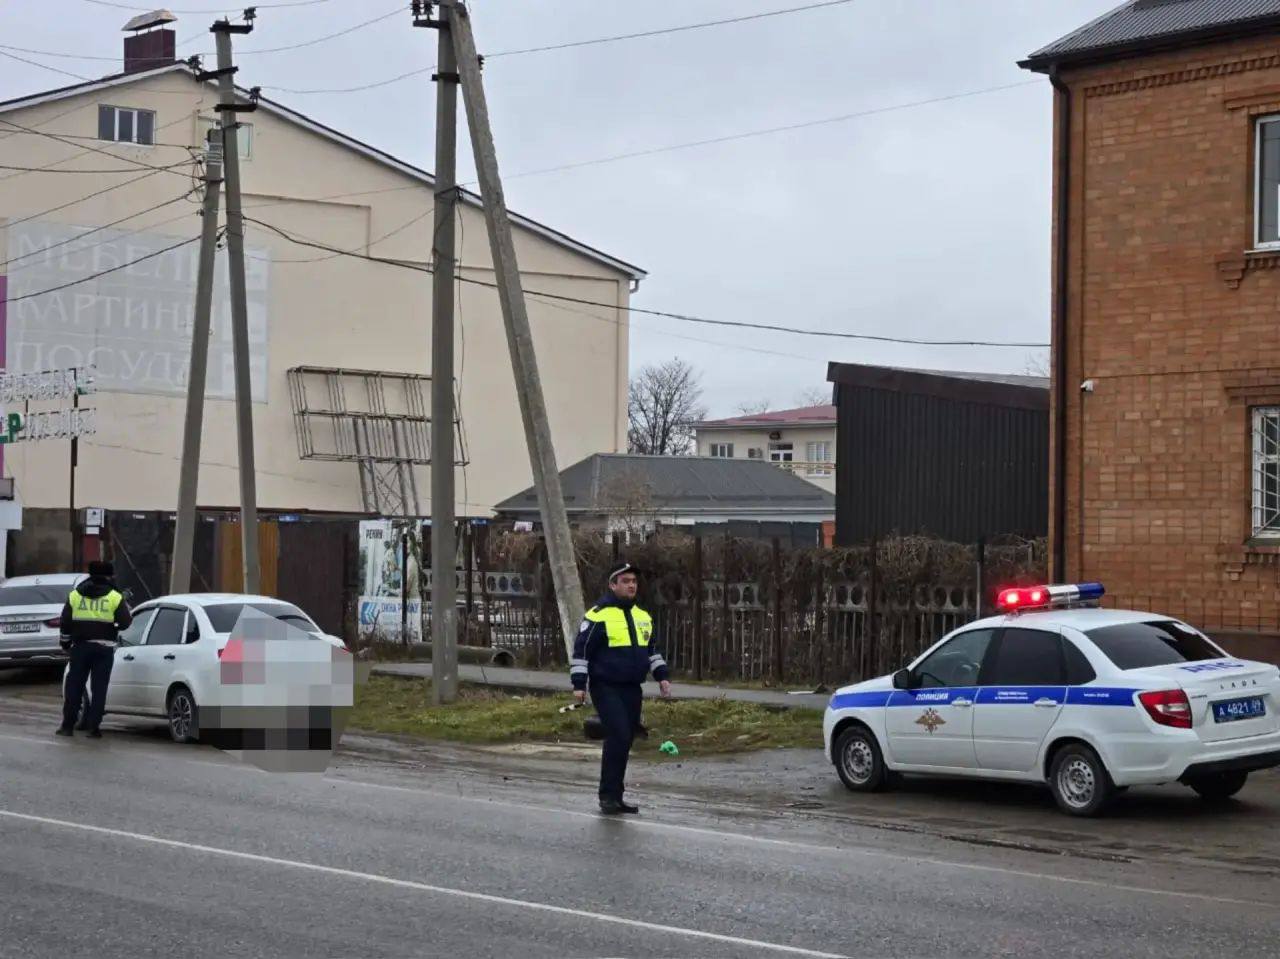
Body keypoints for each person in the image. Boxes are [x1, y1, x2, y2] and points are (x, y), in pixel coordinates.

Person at [570, 562, 671, 814]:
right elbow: (582, 651)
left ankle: (616, 796)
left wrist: (662, 676)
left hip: (632, 688)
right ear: (612, 585)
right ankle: (607, 796)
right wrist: (579, 685)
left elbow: (652, 650)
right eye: (625, 581)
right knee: (619, 734)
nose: (631, 585)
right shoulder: (598, 615)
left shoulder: (642, 616)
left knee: (624, 739)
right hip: (606, 686)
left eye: (634, 581)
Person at [57, 561, 132, 739]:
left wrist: (65, 643)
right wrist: (112, 625)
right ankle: (93, 728)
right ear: (109, 576)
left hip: (80, 647)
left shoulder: (75, 595)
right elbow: (125, 622)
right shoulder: (115, 596)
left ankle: (67, 726)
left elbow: (65, 622)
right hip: (104, 649)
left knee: (74, 687)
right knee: (99, 689)